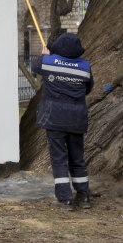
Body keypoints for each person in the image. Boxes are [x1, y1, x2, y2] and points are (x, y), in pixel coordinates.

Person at [32, 33, 94, 210]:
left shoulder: (48, 61)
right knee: (77, 158)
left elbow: (35, 65)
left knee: (59, 159)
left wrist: (45, 54)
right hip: (76, 119)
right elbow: (88, 88)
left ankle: (65, 198)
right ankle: (83, 196)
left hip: (55, 119)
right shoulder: (85, 66)